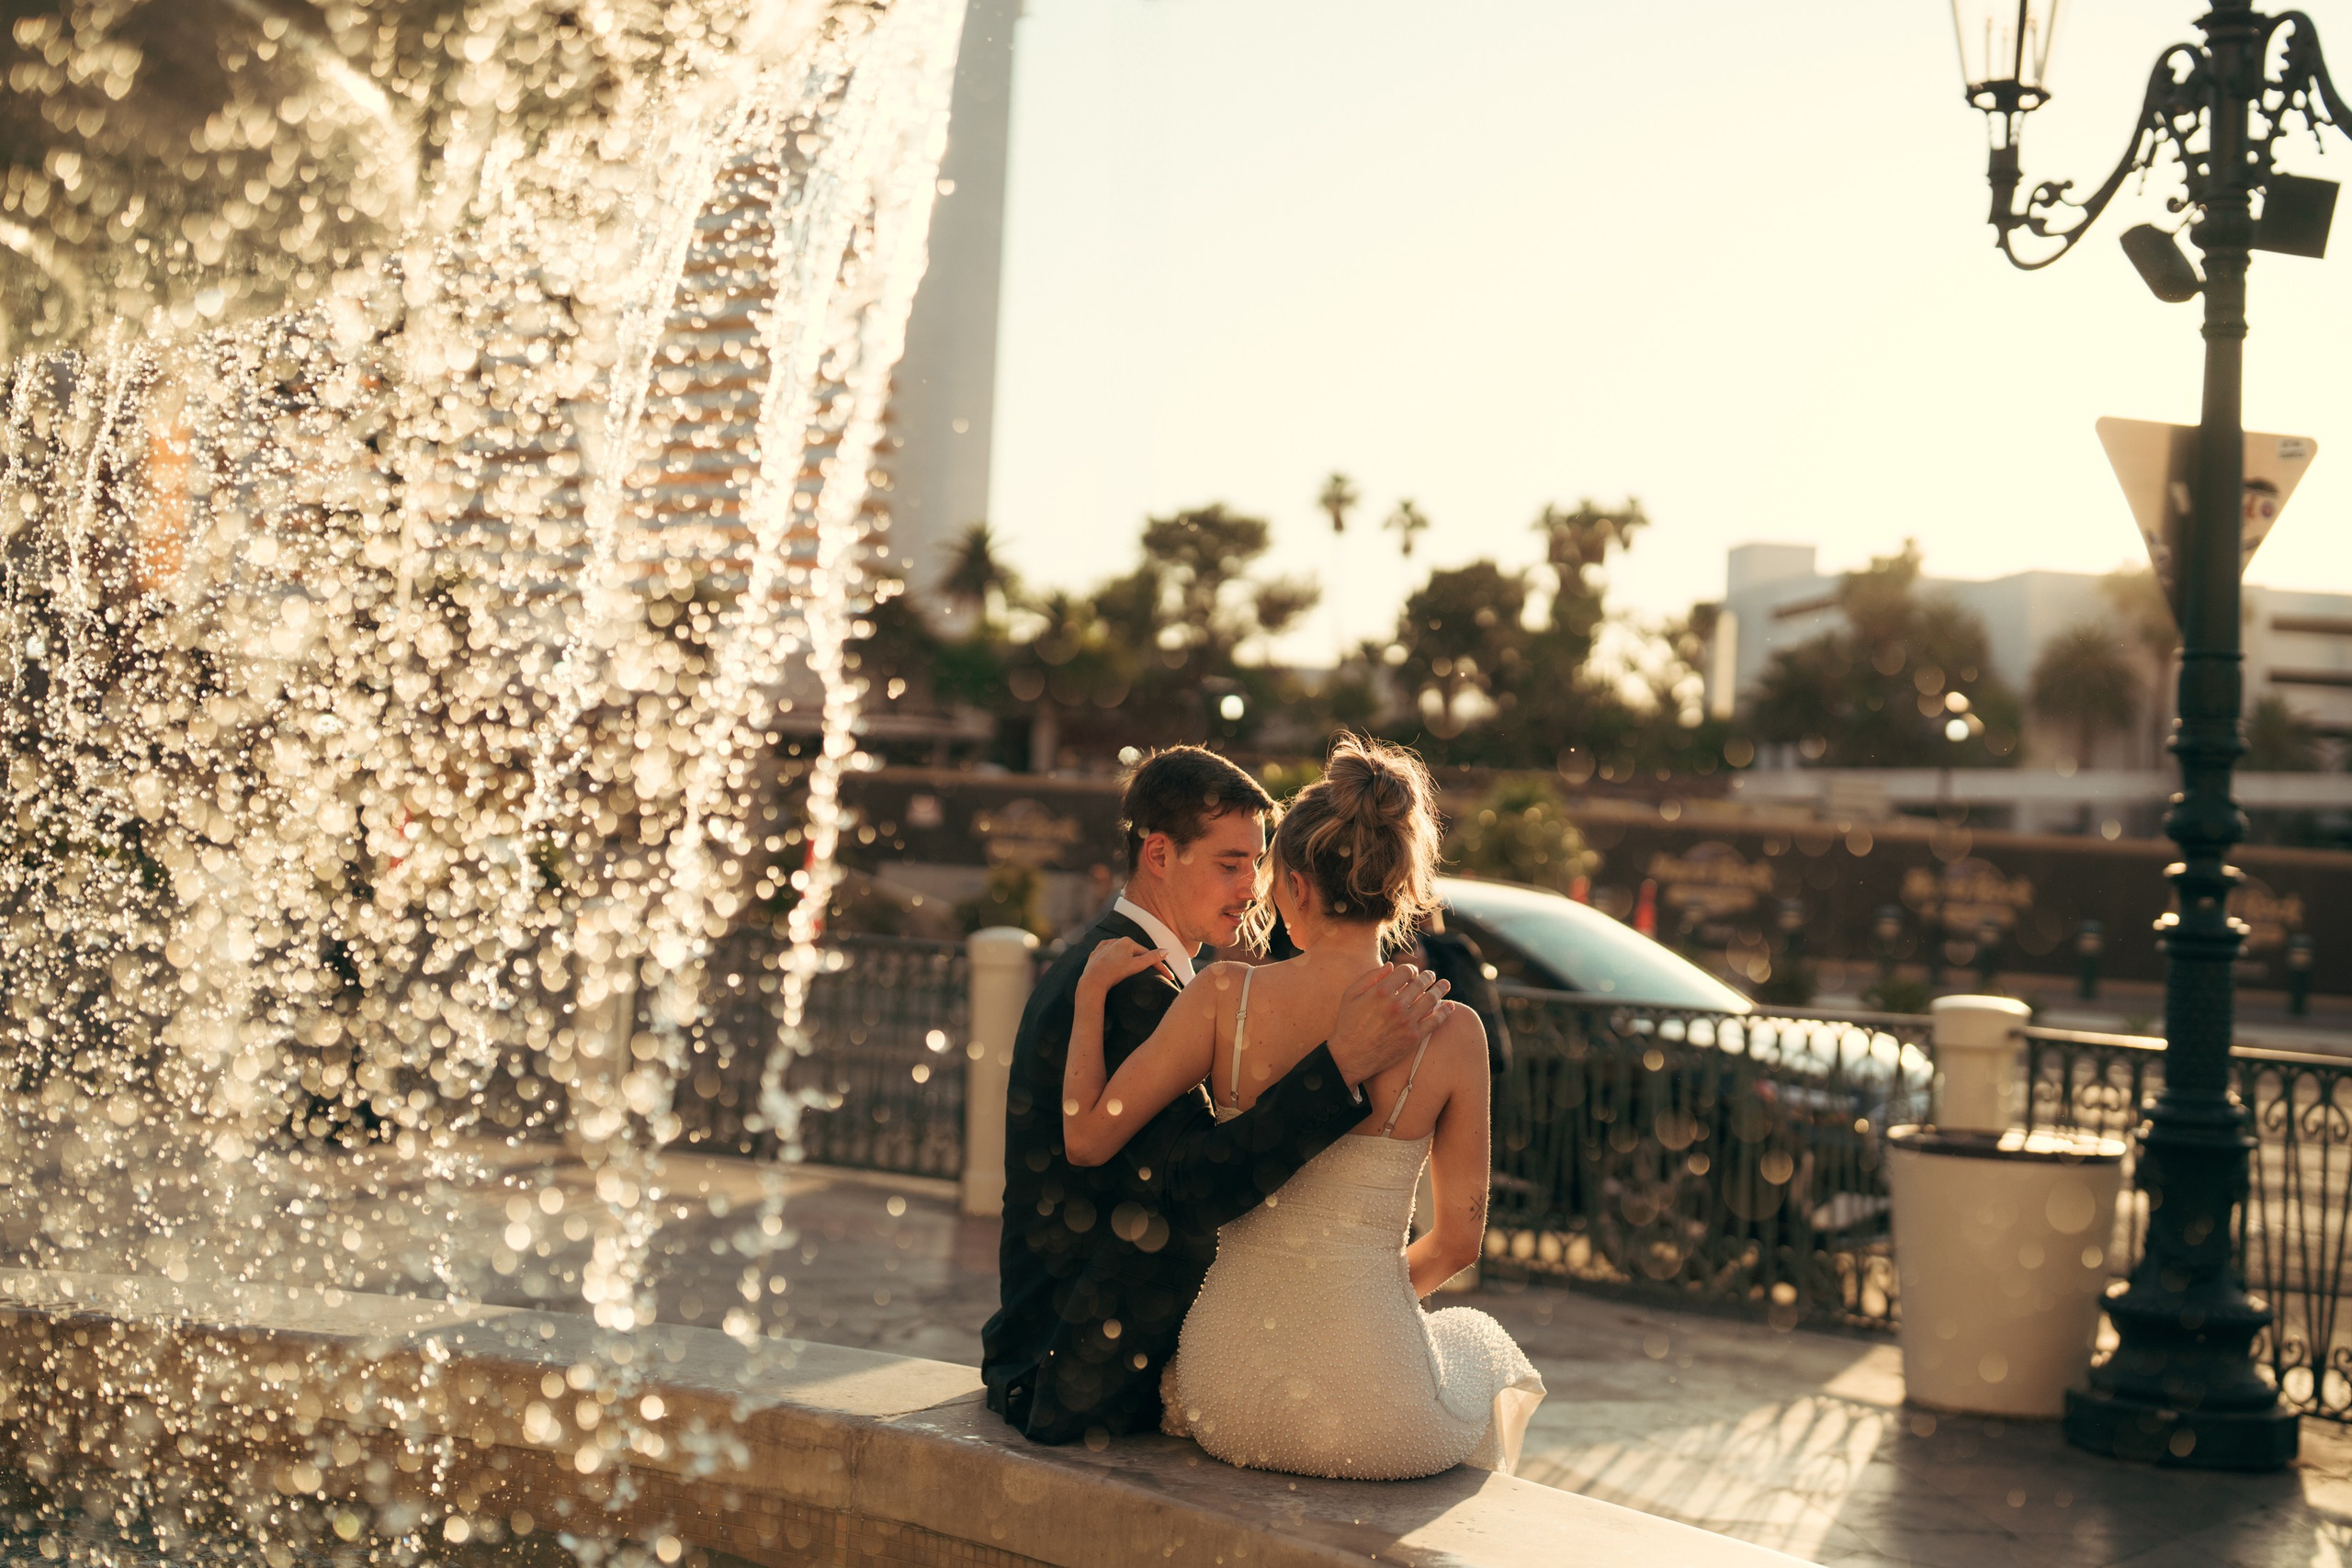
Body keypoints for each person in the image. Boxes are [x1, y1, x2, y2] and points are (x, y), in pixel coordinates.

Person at [1061, 737, 1544, 1480]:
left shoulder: (1224, 998)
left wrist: (1090, 997)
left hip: (1226, 1389)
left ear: (1292, 884)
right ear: (1403, 887)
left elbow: (1087, 1138)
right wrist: (1350, 1305)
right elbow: (1458, 1244)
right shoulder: (1453, 1032)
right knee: (1482, 1349)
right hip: (1375, 1408)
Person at [980, 746, 1448, 1447]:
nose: (1251, 888)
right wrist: (1338, 1063)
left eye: (1256, 865)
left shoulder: (1116, 965)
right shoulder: (1132, 986)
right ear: (1160, 855)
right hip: (1078, 1370)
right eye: (1230, 864)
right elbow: (1194, 1185)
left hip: (1079, 1349)